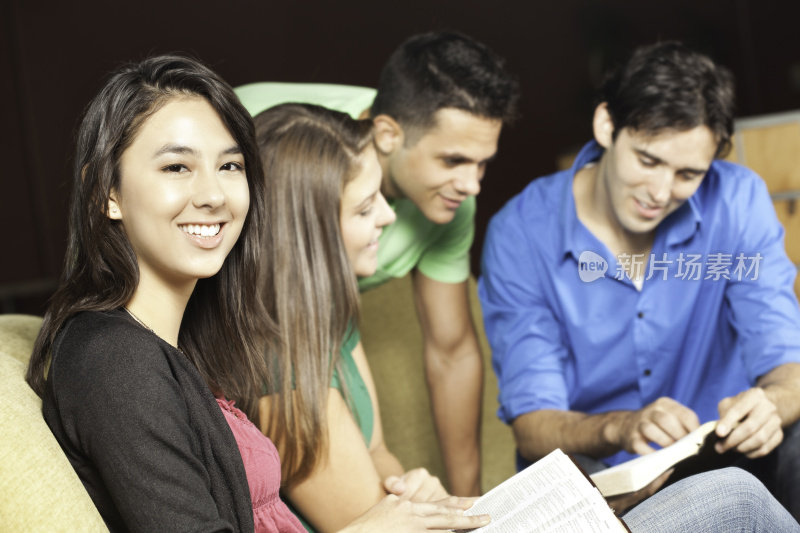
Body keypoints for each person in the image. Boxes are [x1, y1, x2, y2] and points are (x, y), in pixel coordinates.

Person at [254, 103, 800, 533]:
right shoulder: (283, 371)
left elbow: (376, 460)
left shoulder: (328, 322)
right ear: (313, 230)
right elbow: (370, 522)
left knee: (733, 484)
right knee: (734, 499)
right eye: (366, 205)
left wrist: (418, 491)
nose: (391, 216)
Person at [25, 54, 491, 533]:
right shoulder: (111, 357)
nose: (214, 194)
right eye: (176, 167)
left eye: (229, 165)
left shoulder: (192, 341)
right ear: (107, 192)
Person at [479, 41, 800, 520]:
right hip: (603, 472)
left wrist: (773, 404)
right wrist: (622, 427)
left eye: (688, 174)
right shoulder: (520, 232)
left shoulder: (736, 200)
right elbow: (533, 423)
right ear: (606, 125)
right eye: (648, 161)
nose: (660, 192)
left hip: (726, 451)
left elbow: (786, 361)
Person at [236, 31, 521, 496]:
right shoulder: (261, 132)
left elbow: (451, 353)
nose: (473, 186)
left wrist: (469, 509)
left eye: (482, 164)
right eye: (453, 160)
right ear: (388, 134)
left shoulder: (449, 204)